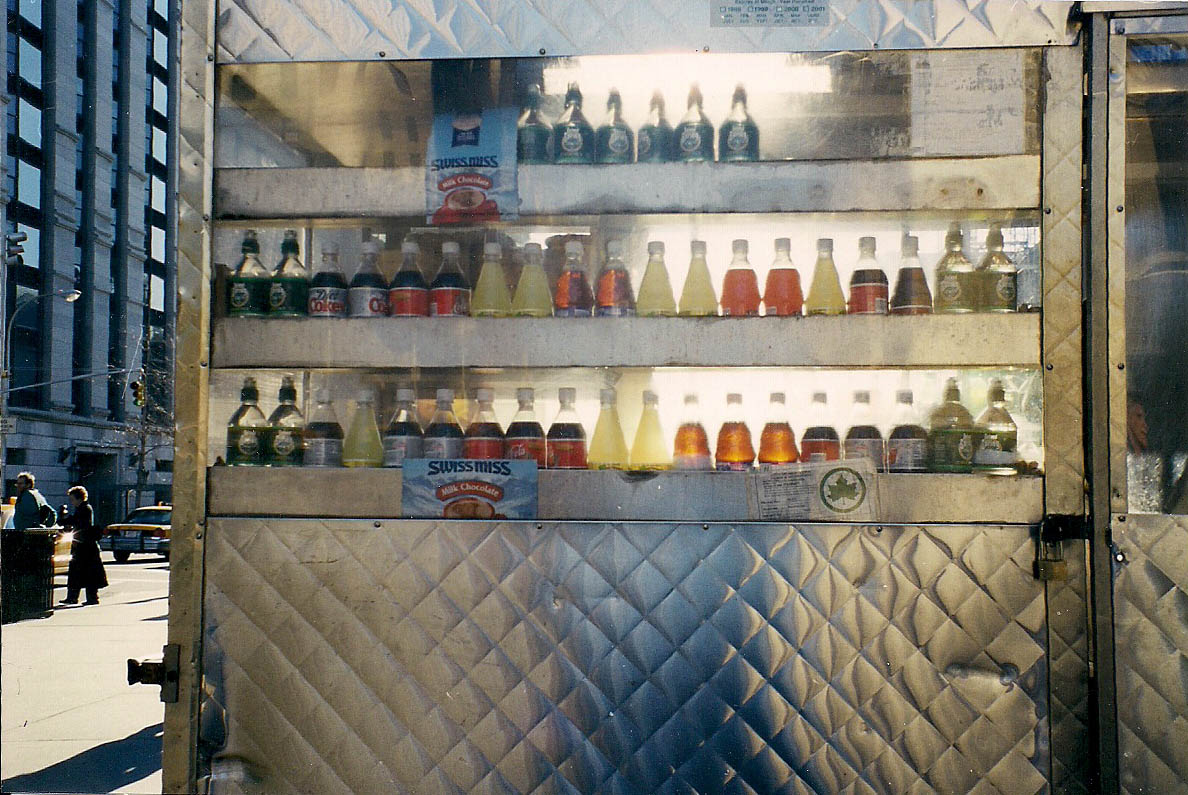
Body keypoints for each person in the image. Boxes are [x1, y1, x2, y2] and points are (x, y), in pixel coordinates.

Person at [60, 486, 107, 605]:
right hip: (85, 546)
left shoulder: (84, 509)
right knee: (84, 572)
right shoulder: (84, 508)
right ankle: (80, 597)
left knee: (81, 572)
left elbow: (77, 522)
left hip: (85, 546)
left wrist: (65, 520)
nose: (71, 502)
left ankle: (80, 597)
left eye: (72, 499)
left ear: (79, 498)